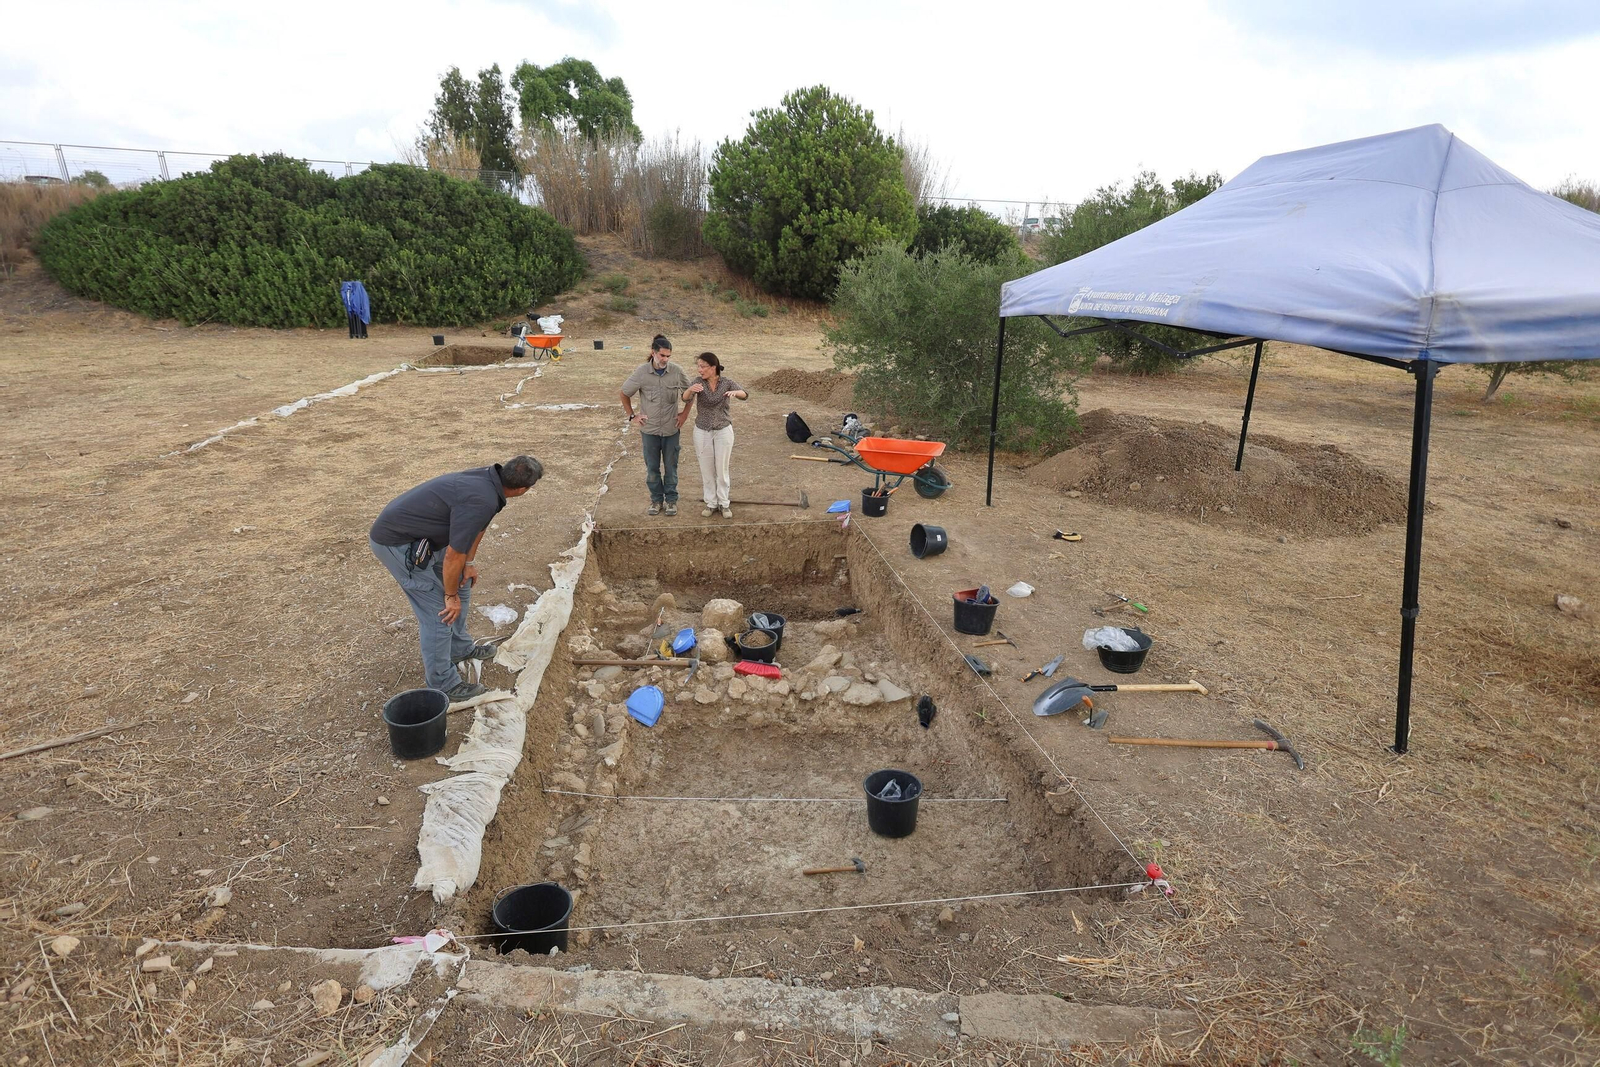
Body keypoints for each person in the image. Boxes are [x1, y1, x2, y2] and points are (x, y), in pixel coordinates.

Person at [369, 456, 544, 702]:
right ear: (522, 490)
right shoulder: (481, 498)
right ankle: (444, 684)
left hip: (424, 539)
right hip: (397, 544)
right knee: (440, 613)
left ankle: (459, 649)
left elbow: (477, 529)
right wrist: (449, 597)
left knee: (462, 583)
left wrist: (469, 565)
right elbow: (453, 556)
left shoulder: (491, 483)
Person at [619, 335, 691, 516]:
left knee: (671, 467)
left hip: (671, 429)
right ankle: (656, 500)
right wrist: (632, 416)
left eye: (668, 356)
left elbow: (690, 394)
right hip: (649, 430)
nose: (665, 359)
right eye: (662, 355)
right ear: (653, 353)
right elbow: (624, 393)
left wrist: (684, 415)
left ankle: (672, 501)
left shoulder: (677, 371)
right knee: (652, 468)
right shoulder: (641, 372)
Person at [683, 352, 748, 518]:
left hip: (723, 430)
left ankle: (724, 504)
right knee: (707, 469)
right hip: (702, 430)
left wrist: (736, 393)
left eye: (703, 366)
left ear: (713, 367)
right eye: (698, 366)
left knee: (722, 468)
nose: (699, 370)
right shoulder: (698, 382)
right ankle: (711, 503)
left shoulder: (726, 382)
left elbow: (744, 394)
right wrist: (690, 390)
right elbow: (684, 398)